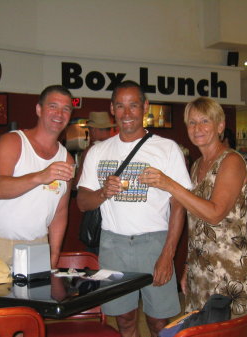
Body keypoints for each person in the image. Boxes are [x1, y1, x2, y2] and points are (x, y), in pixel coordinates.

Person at [77, 80, 192, 337]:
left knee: (159, 322)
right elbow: (83, 203)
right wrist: (103, 192)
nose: (127, 113)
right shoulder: (98, 151)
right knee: (125, 320)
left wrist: (167, 255)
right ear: (112, 109)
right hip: (113, 245)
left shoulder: (167, 148)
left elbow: (178, 206)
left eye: (133, 106)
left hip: (155, 244)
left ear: (145, 108)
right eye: (120, 106)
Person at [139, 97, 247, 317]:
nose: (197, 128)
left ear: (220, 126)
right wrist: (187, 266)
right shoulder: (196, 166)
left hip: (229, 270)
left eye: (205, 121)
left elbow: (214, 214)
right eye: (192, 123)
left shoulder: (231, 161)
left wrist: (169, 184)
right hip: (200, 269)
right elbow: (196, 225)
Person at [0, 85, 75, 269]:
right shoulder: (13, 141)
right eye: (53, 106)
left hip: (37, 247)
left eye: (66, 109)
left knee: (34, 298)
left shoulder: (66, 158)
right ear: (38, 109)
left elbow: (60, 212)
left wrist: (55, 252)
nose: (59, 113)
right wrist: (40, 177)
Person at [73, 111, 116, 187]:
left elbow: (79, 181)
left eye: (89, 129)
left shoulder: (91, 150)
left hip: (94, 195)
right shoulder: (117, 146)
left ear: (93, 129)